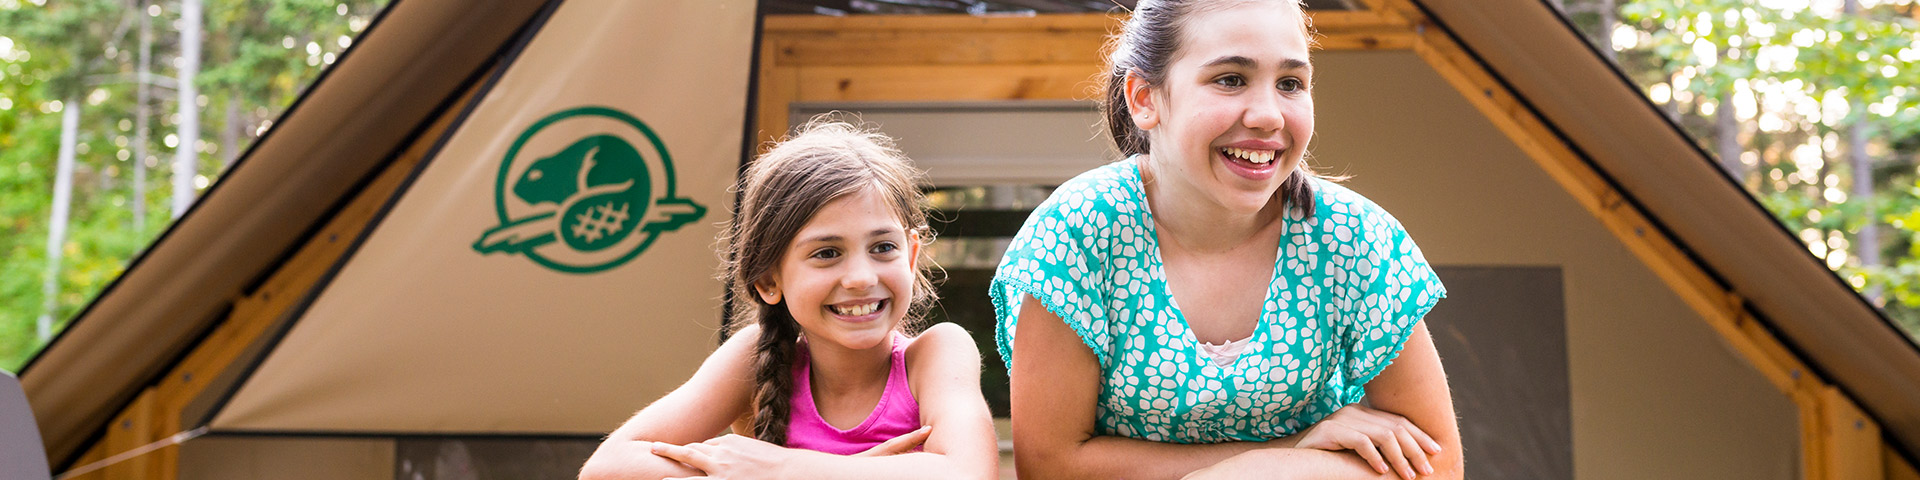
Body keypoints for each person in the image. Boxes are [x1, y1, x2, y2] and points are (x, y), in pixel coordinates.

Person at [991, 1, 1462, 478]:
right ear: (1143, 98)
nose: (1268, 116)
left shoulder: (1352, 237)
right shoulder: (1077, 232)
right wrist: (1286, 454)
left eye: (1290, 84)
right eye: (1231, 79)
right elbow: (1051, 467)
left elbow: (1437, 466)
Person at [579, 120, 999, 480]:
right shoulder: (752, 357)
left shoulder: (936, 354)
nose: (860, 277)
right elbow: (609, 466)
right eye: (827, 253)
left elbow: (969, 471)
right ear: (767, 280)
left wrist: (788, 469)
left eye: (882, 248)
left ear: (910, 255)